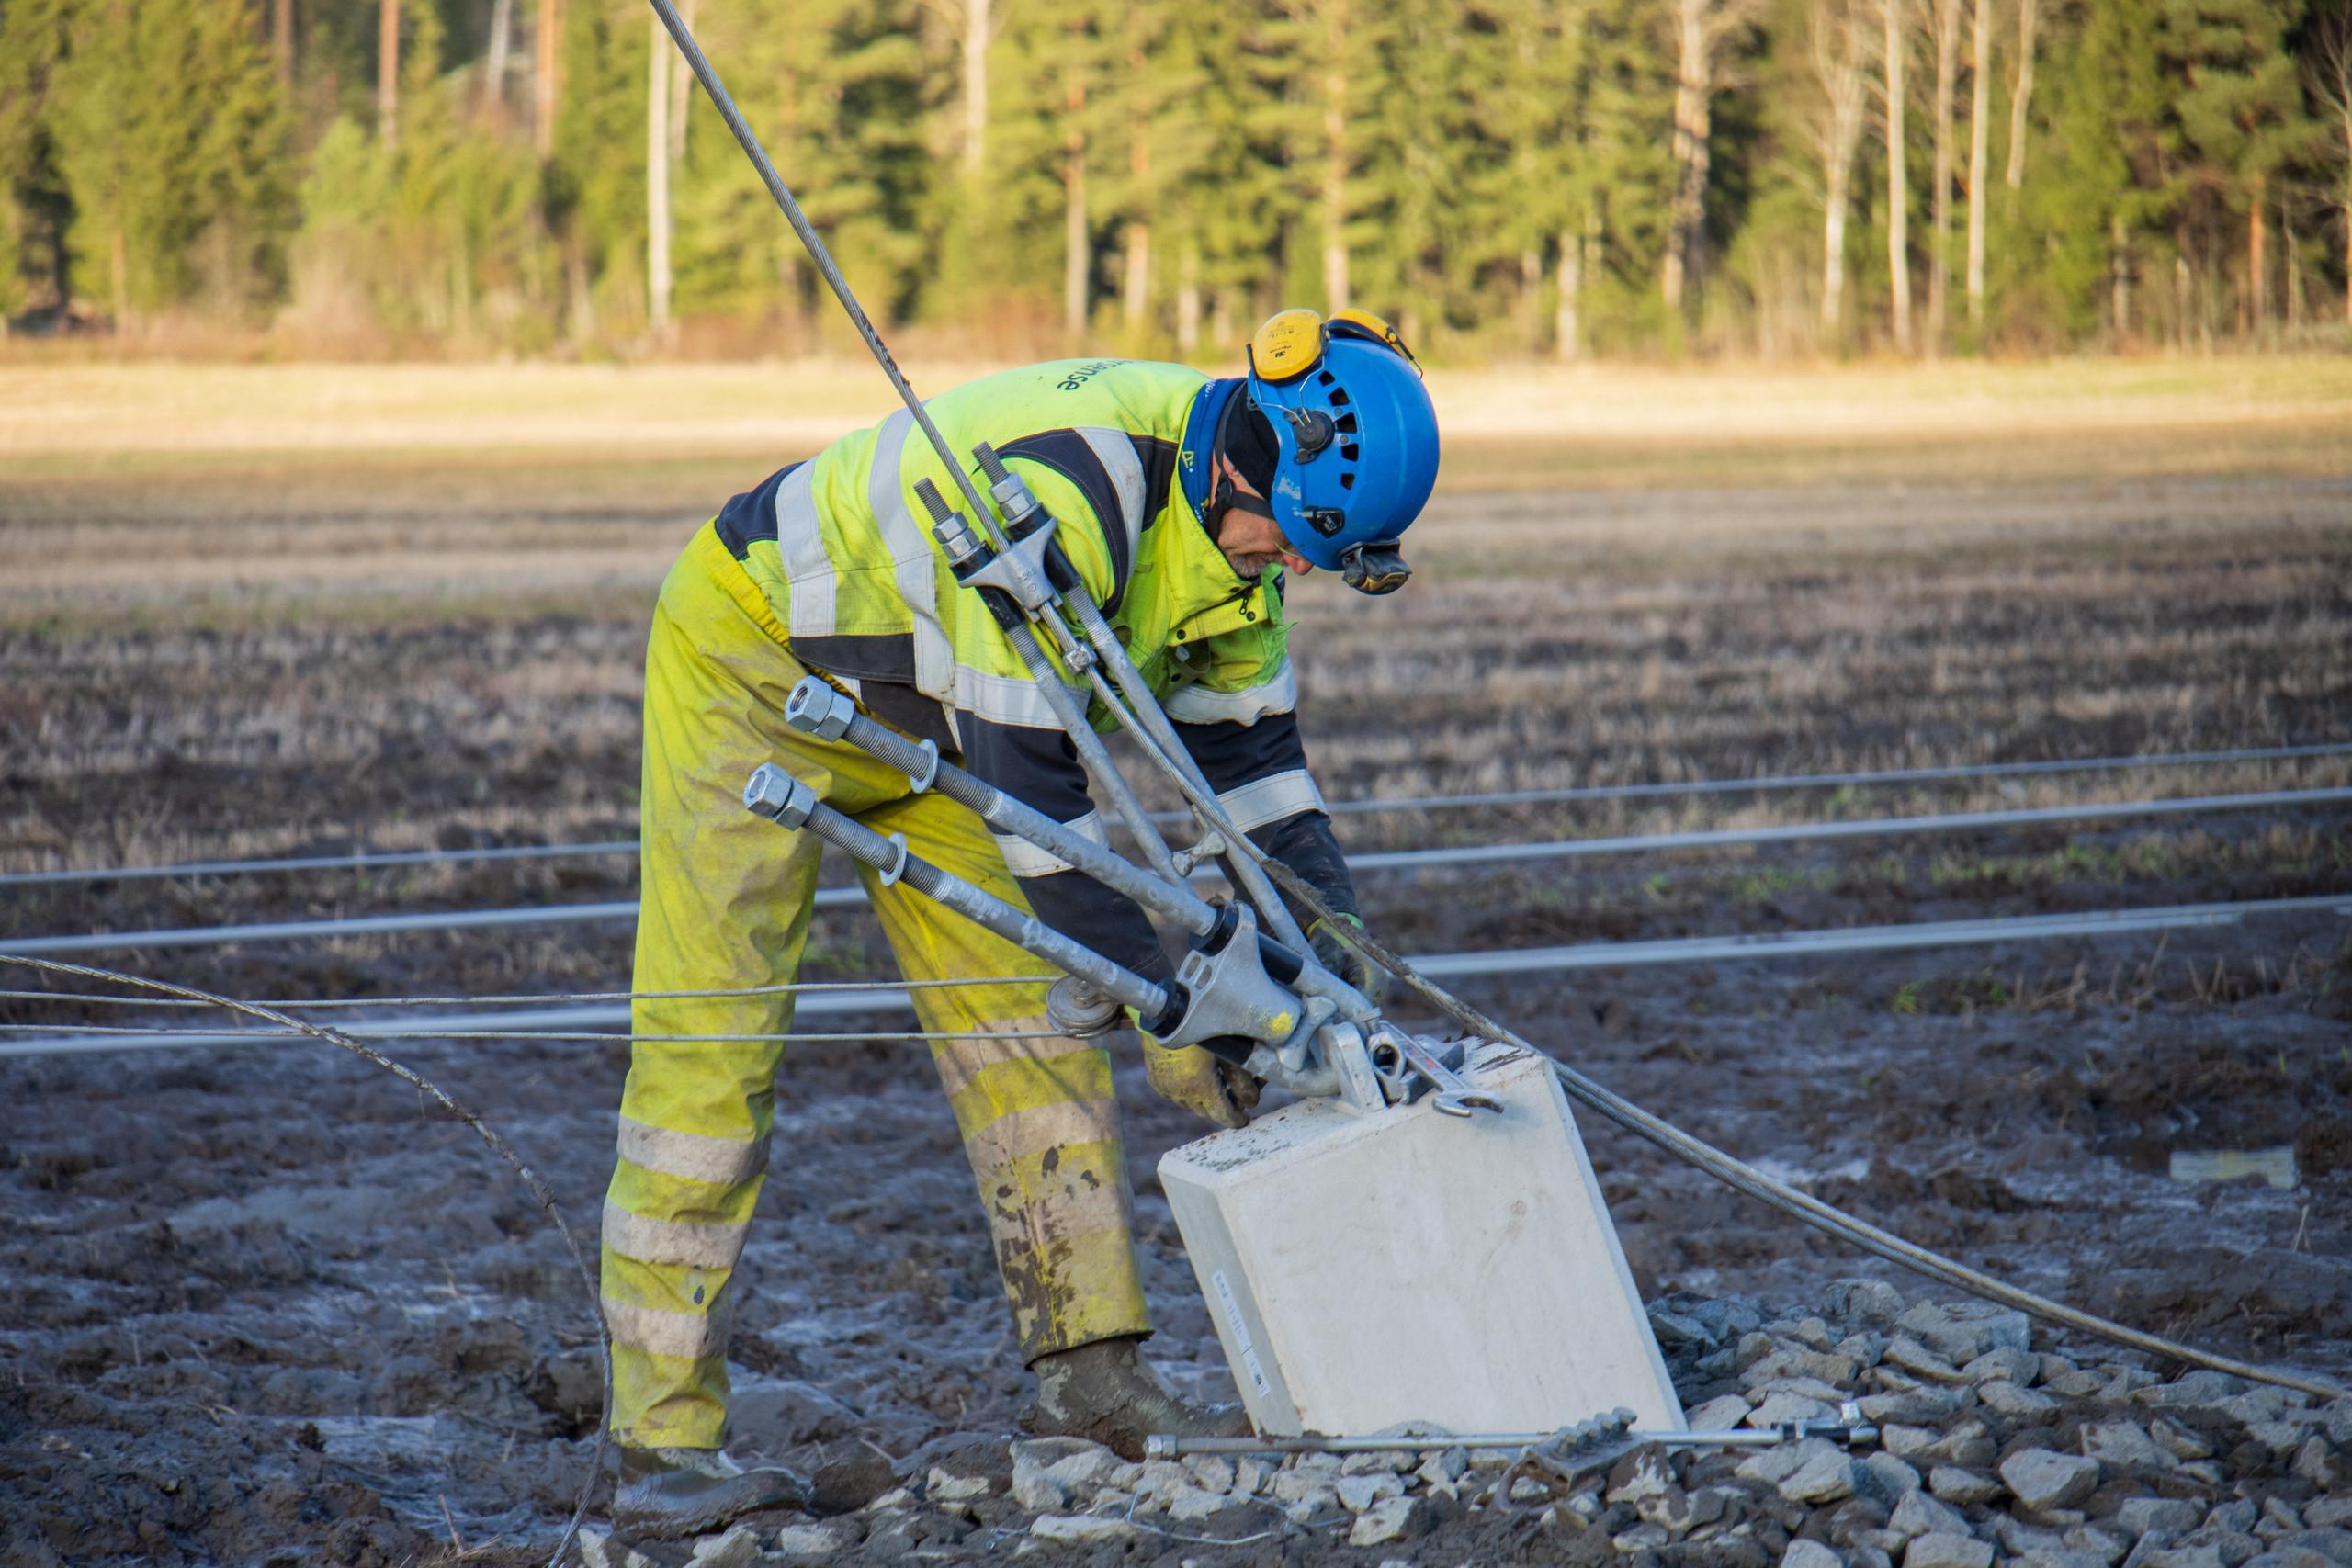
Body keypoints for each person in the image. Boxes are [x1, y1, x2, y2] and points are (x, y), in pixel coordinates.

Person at [603, 309, 1441, 1537]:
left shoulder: (1242, 555)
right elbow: (1041, 801)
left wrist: (1332, 955)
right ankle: (661, 1450)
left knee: (1041, 1027)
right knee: (711, 1048)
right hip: (759, 666)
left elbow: (1256, 776)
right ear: (1245, 464)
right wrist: (1178, 1013)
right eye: (1294, 540)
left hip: (942, 713)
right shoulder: (1067, 491)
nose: (1298, 571)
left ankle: (1088, 1384)